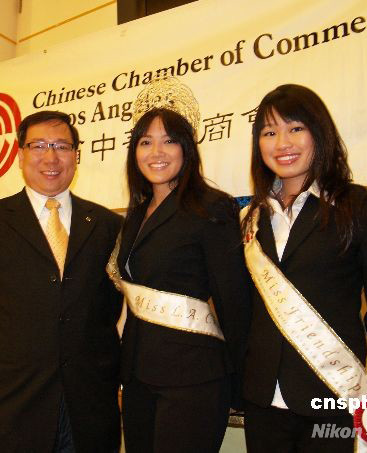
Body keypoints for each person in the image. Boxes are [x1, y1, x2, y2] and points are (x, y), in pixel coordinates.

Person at [241, 84, 367, 452]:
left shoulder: (359, 207)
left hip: (333, 401)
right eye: (269, 132)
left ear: (319, 132)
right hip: (263, 403)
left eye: (295, 128)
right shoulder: (251, 217)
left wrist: (358, 383)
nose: (282, 142)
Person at [0, 110, 123, 453]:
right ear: (20, 155)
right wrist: (17, 355)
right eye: (38, 145)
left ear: (76, 156)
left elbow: (109, 307)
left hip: (89, 404)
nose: (51, 157)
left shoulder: (108, 225)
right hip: (17, 402)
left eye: (61, 146)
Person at [106, 78, 252, 453]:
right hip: (138, 377)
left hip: (193, 377)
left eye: (169, 140)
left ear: (187, 148)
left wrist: (242, 381)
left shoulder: (211, 207)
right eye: (145, 142)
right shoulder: (135, 215)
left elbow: (233, 300)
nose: (156, 152)